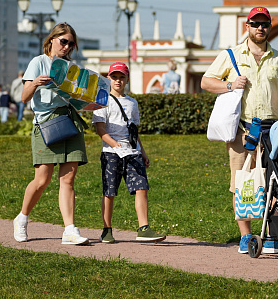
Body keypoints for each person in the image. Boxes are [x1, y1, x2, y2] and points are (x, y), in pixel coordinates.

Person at [201, 6, 278, 254]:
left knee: (275, 183)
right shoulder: (232, 55)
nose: (260, 28)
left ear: (269, 27)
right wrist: (229, 84)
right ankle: (245, 236)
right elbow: (206, 81)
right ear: (247, 26)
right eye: (255, 24)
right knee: (240, 183)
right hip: (242, 131)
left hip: (273, 130)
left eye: (264, 24)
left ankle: (272, 234)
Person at [13, 22, 89, 245]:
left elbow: (79, 97)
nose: (66, 47)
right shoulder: (38, 62)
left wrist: (90, 102)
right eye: (63, 41)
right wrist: (36, 82)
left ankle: (70, 230)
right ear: (51, 40)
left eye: (71, 43)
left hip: (70, 121)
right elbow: (24, 97)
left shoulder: (72, 67)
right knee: (42, 180)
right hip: (47, 124)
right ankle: (22, 218)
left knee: (68, 179)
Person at [92, 61, 166, 244]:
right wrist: (115, 145)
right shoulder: (102, 101)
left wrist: (143, 152)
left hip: (132, 152)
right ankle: (107, 230)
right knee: (110, 191)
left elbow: (134, 131)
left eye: (121, 77)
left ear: (127, 79)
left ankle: (144, 228)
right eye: (114, 77)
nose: (118, 81)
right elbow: (100, 129)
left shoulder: (133, 103)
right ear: (108, 78)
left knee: (142, 187)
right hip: (111, 152)